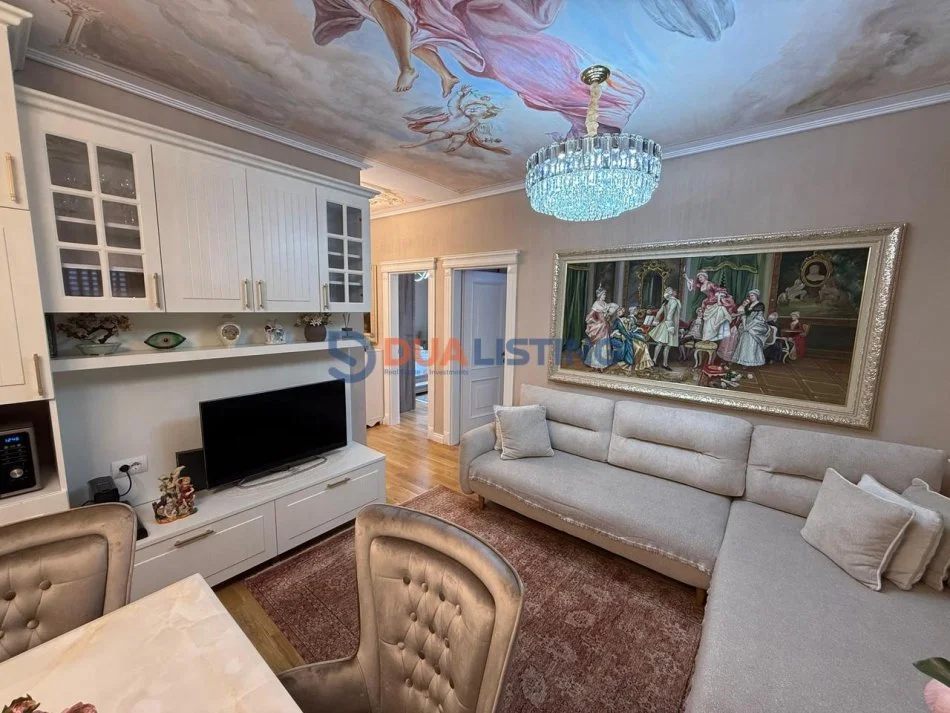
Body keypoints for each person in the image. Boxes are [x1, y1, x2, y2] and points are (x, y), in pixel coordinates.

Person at [583, 287, 622, 370]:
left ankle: (604, 363)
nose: (605, 296)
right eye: (604, 294)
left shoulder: (605, 304)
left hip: (605, 326)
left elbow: (610, 313)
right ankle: (597, 363)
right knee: (599, 343)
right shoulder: (596, 304)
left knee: (605, 343)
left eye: (605, 294)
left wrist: (607, 316)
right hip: (599, 327)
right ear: (600, 295)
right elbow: (590, 316)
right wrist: (596, 321)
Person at [733, 289, 769, 367]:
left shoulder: (760, 305)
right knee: (744, 342)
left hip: (755, 326)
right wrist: (745, 325)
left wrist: (749, 326)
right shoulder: (749, 305)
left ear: (756, 296)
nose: (751, 297)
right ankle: (743, 361)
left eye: (752, 295)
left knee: (751, 343)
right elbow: (745, 315)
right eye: (750, 296)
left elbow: (759, 318)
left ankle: (751, 361)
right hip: (746, 325)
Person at [648, 286, 681, 370]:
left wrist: (655, 321)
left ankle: (654, 360)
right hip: (669, 325)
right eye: (675, 291)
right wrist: (670, 327)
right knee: (667, 346)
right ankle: (664, 364)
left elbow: (658, 313)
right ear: (672, 293)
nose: (676, 293)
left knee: (660, 344)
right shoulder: (674, 302)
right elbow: (669, 316)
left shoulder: (666, 302)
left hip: (663, 325)